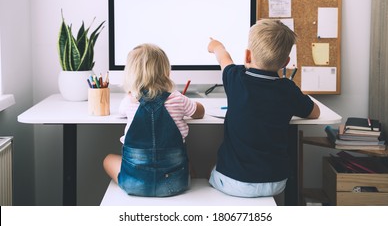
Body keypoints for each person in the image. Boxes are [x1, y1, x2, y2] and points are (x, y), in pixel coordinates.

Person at [207, 19, 320, 198]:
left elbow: (224, 59)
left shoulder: (235, 78)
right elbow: (315, 113)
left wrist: (216, 46)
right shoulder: (287, 89)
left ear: (247, 56)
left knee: (207, 171)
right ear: (286, 62)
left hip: (234, 183)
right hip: (276, 182)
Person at [103, 43, 205, 197]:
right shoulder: (178, 98)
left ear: (131, 74)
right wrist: (194, 105)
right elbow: (199, 112)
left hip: (135, 184)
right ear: (166, 71)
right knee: (188, 163)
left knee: (107, 159)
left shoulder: (129, 101)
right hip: (175, 184)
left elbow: (121, 112)